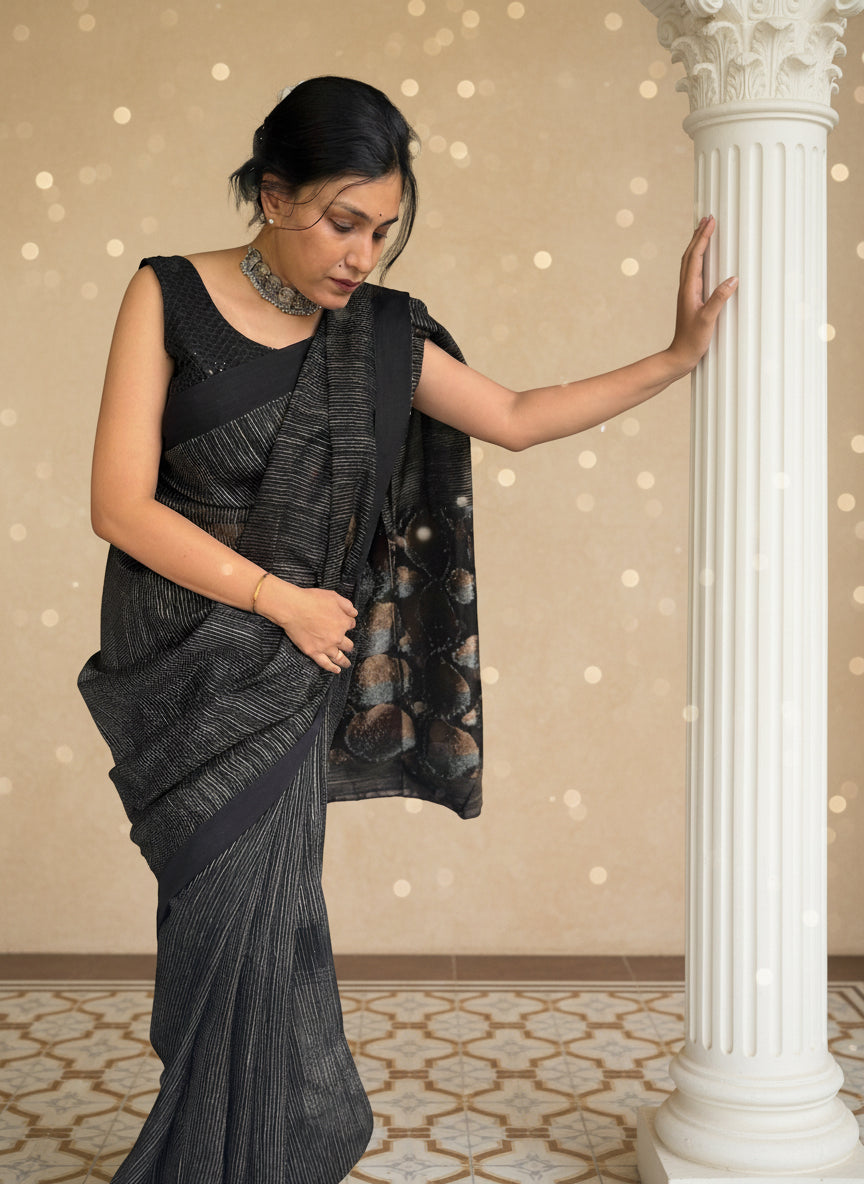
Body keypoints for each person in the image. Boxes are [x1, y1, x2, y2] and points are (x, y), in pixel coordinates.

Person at [78, 75, 736, 1184]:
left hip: (293, 676)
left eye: (382, 230)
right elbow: (118, 504)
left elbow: (516, 416)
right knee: (213, 941)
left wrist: (673, 358)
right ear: (273, 193)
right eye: (344, 222)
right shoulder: (166, 295)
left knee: (259, 932)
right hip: (183, 669)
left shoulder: (380, 337)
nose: (363, 255)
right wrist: (277, 596)